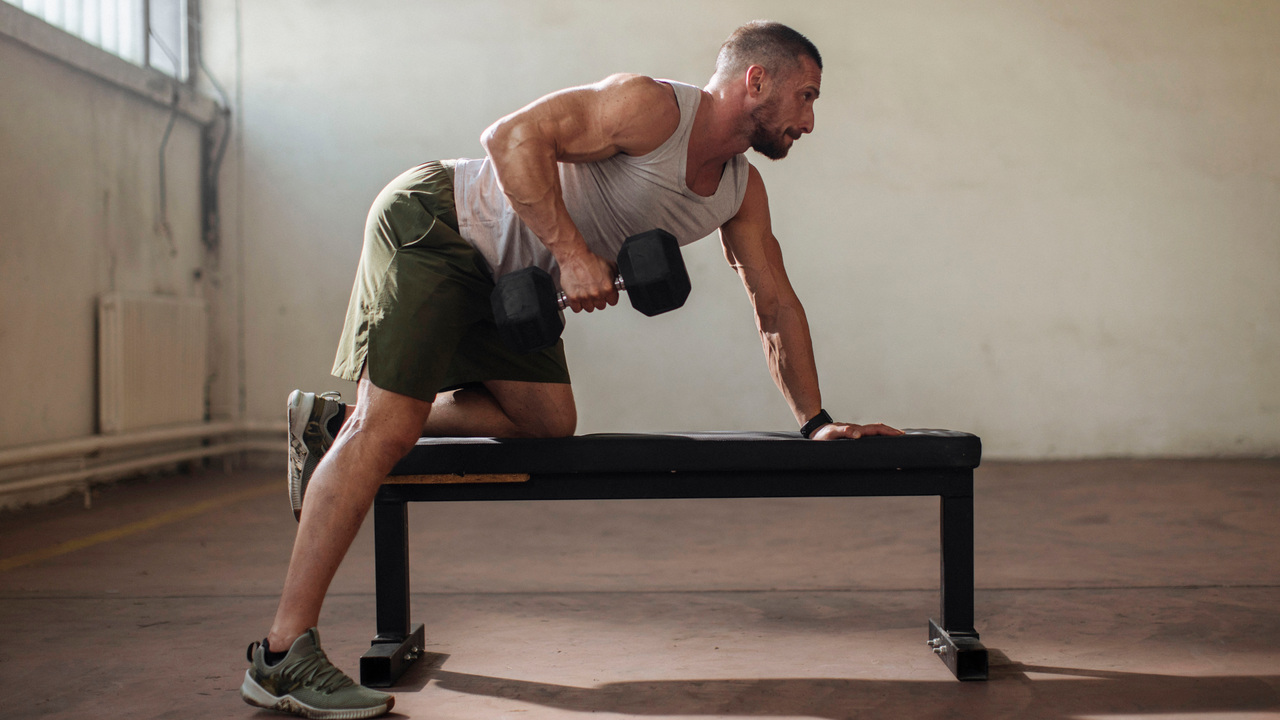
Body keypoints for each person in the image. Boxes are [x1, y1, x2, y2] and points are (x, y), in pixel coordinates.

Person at [240, 20, 903, 719]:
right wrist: (574, 251)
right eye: (806, 96)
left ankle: (333, 422)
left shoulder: (740, 192)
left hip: (509, 281)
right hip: (442, 223)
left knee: (546, 422)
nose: (809, 119)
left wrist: (817, 424)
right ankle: (282, 657)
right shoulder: (651, 108)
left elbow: (773, 301)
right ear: (756, 81)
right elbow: (509, 137)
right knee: (390, 427)